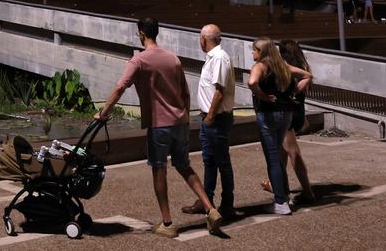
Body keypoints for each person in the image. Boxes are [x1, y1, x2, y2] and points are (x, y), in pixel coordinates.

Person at [96, 17, 222, 237]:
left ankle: (167, 223)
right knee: (184, 166)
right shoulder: (172, 58)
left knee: (159, 170)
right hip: (180, 122)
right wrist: (183, 116)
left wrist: (104, 112)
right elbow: (185, 91)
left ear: (141, 33)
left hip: (159, 125)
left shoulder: (139, 61)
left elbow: (119, 88)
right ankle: (210, 209)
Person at [248, 37, 312, 215]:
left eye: (254, 50)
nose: (252, 53)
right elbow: (307, 75)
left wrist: (263, 96)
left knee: (273, 158)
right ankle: (284, 196)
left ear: (261, 52)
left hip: (269, 114)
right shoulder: (282, 65)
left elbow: (252, 82)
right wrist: (295, 91)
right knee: (277, 156)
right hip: (286, 114)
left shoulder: (261, 66)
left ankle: (281, 202)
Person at [183, 24, 236, 217]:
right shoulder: (213, 57)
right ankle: (207, 200)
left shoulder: (220, 58)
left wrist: (210, 117)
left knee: (222, 162)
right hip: (210, 118)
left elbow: (219, 92)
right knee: (210, 161)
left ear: (205, 39)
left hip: (216, 119)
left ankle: (227, 204)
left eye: (200, 37)